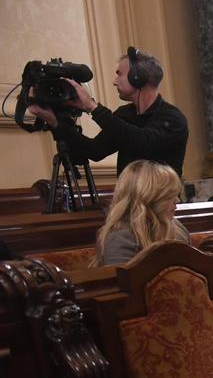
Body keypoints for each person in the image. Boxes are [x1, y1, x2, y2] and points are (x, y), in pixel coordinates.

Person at [26, 47, 188, 176]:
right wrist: (55, 122)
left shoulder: (172, 118)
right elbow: (95, 150)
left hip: (163, 205)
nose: (114, 82)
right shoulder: (125, 114)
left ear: (137, 78)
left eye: (120, 75)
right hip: (130, 204)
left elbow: (143, 141)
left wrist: (92, 107)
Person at [93, 159, 189, 266]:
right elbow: (125, 281)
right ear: (149, 197)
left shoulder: (178, 230)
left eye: (176, 194)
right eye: (170, 195)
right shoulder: (120, 238)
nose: (177, 200)